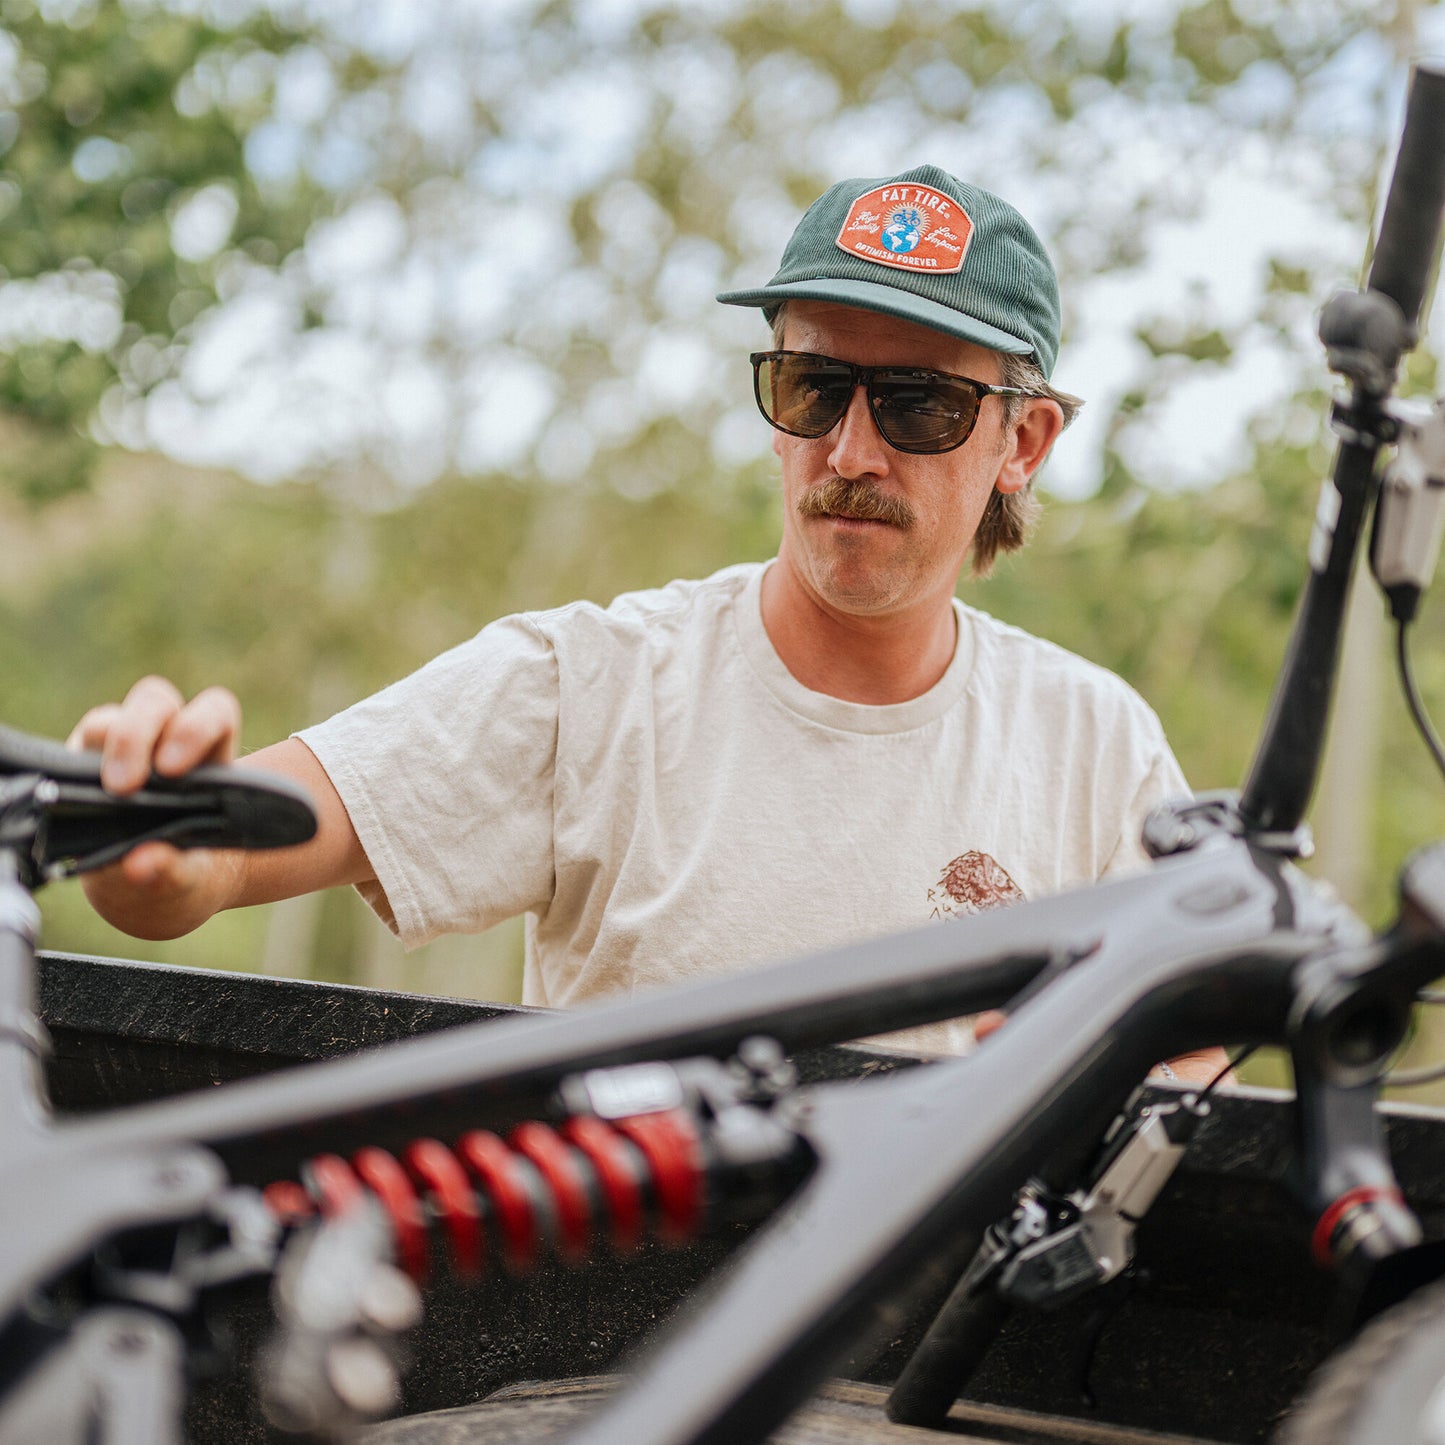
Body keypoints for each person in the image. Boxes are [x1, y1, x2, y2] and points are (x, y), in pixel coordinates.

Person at [70, 165, 1219, 1077]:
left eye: (919, 404)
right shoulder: (587, 685)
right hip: (621, 1311)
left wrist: (1110, 1068)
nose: (849, 452)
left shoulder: (1095, 745)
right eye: (813, 388)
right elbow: (225, 849)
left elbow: (1198, 1065)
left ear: (1023, 441)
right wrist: (155, 839)